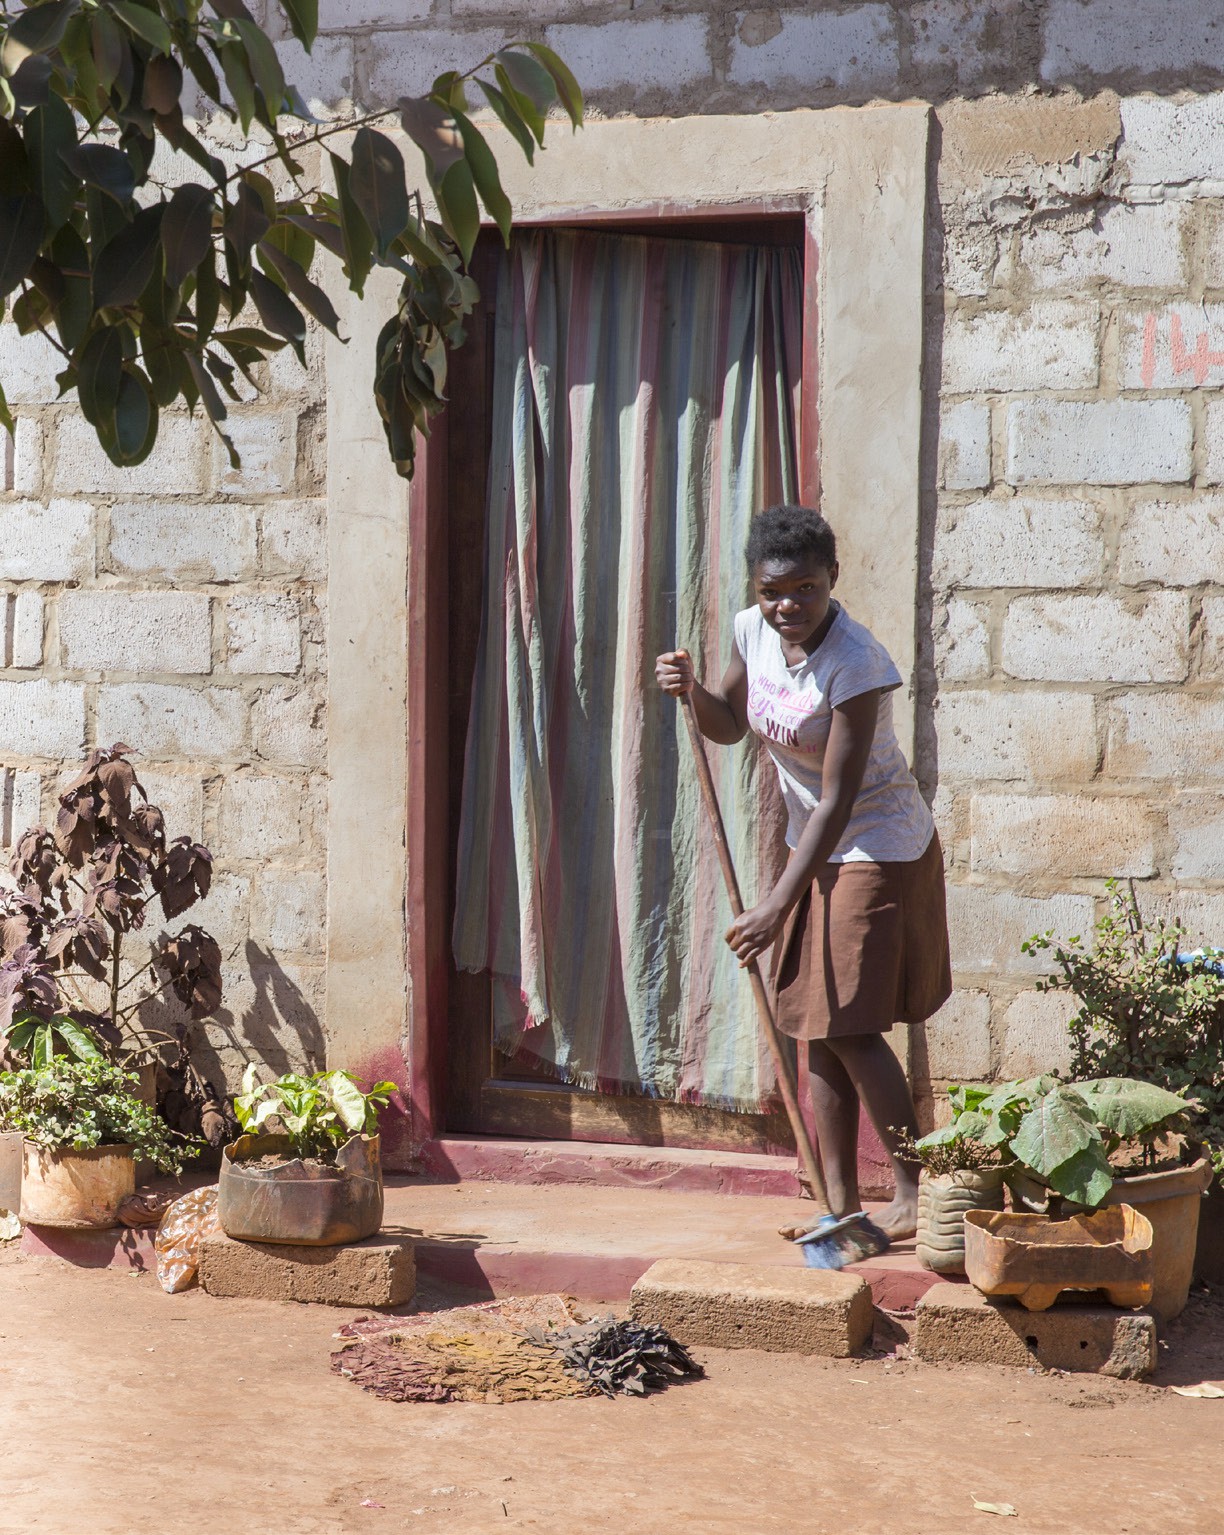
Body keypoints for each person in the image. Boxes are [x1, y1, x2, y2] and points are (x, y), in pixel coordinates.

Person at [655, 504, 950, 1242]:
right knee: (813, 1029)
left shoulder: (857, 664)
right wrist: (691, 692)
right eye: (772, 590)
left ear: (832, 582)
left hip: (877, 843)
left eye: (805, 590)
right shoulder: (751, 631)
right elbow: (728, 723)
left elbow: (839, 801)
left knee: (848, 1025)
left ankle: (911, 1191)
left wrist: (775, 908)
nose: (787, 606)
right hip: (814, 844)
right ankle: (840, 1207)